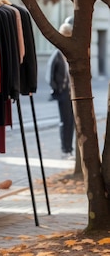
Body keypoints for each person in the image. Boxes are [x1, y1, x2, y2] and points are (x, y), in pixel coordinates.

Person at [46, 22, 75, 159]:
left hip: (72, 93)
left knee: (72, 121)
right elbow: (49, 76)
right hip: (63, 94)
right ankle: (65, 150)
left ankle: (70, 149)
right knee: (65, 121)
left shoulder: (70, 54)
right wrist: (57, 89)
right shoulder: (57, 55)